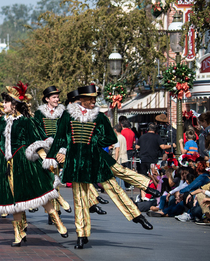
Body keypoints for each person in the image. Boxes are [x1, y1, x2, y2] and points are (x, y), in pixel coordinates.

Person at [45, 84, 154, 250]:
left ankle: (138, 212)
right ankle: (81, 234)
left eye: (95, 99)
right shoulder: (68, 115)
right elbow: (60, 137)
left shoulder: (99, 117)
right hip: (75, 163)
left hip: (95, 159)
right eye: (90, 99)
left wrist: (94, 143)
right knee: (79, 199)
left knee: (114, 185)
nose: (93, 102)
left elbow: (110, 137)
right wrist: (54, 156)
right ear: (81, 99)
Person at [0, 82, 68, 247]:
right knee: (15, 201)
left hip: (25, 163)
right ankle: (18, 234)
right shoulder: (0, 122)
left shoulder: (25, 121)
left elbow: (37, 142)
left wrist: (46, 159)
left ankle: (59, 224)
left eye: (6, 102)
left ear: (14, 105)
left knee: (41, 191)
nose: (2, 105)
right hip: (7, 165)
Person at [32, 85, 73, 221]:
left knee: (56, 177)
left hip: (59, 148)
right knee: (49, 177)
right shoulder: (39, 113)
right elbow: (37, 130)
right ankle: (52, 210)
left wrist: (63, 147)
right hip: (45, 149)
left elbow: (66, 131)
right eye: (54, 97)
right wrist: (46, 141)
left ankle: (56, 210)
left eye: (57, 97)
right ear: (47, 99)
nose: (57, 99)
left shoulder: (63, 113)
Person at [113, 124, 129, 190]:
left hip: (119, 159)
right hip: (125, 158)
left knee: (118, 175)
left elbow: (117, 149)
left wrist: (115, 159)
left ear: (115, 130)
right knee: (122, 175)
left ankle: (122, 189)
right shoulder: (123, 137)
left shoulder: (117, 138)